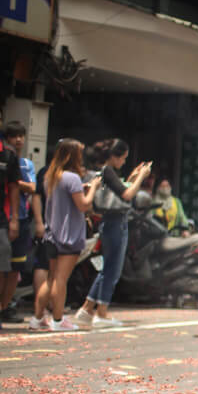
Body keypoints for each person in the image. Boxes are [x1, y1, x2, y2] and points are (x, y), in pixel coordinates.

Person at [75, 139, 151, 329]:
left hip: (109, 222)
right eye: (123, 158)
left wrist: (133, 176)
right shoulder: (107, 171)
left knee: (107, 269)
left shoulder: (101, 171)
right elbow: (126, 195)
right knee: (112, 270)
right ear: (114, 156)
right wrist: (141, 177)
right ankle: (101, 313)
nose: (124, 162)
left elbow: (121, 190)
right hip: (115, 223)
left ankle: (87, 309)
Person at [32, 140, 100, 331]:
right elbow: (83, 205)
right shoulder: (72, 178)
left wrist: (82, 188)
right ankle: (58, 320)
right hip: (68, 236)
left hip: (52, 234)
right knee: (61, 279)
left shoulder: (51, 176)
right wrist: (93, 187)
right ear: (73, 156)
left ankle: (37, 318)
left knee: (51, 279)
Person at [1, 122, 35, 322]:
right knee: (2, 267)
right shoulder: (6, 158)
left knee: (15, 270)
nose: (19, 140)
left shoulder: (24, 163)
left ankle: (5, 307)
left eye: (21, 136)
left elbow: (32, 188)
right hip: (6, 219)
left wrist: (15, 181)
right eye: (14, 136)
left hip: (20, 219)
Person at [0, 129, 20, 329]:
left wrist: (14, 219)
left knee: (3, 267)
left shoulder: (8, 154)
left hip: (1, 219)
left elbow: (14, 187)